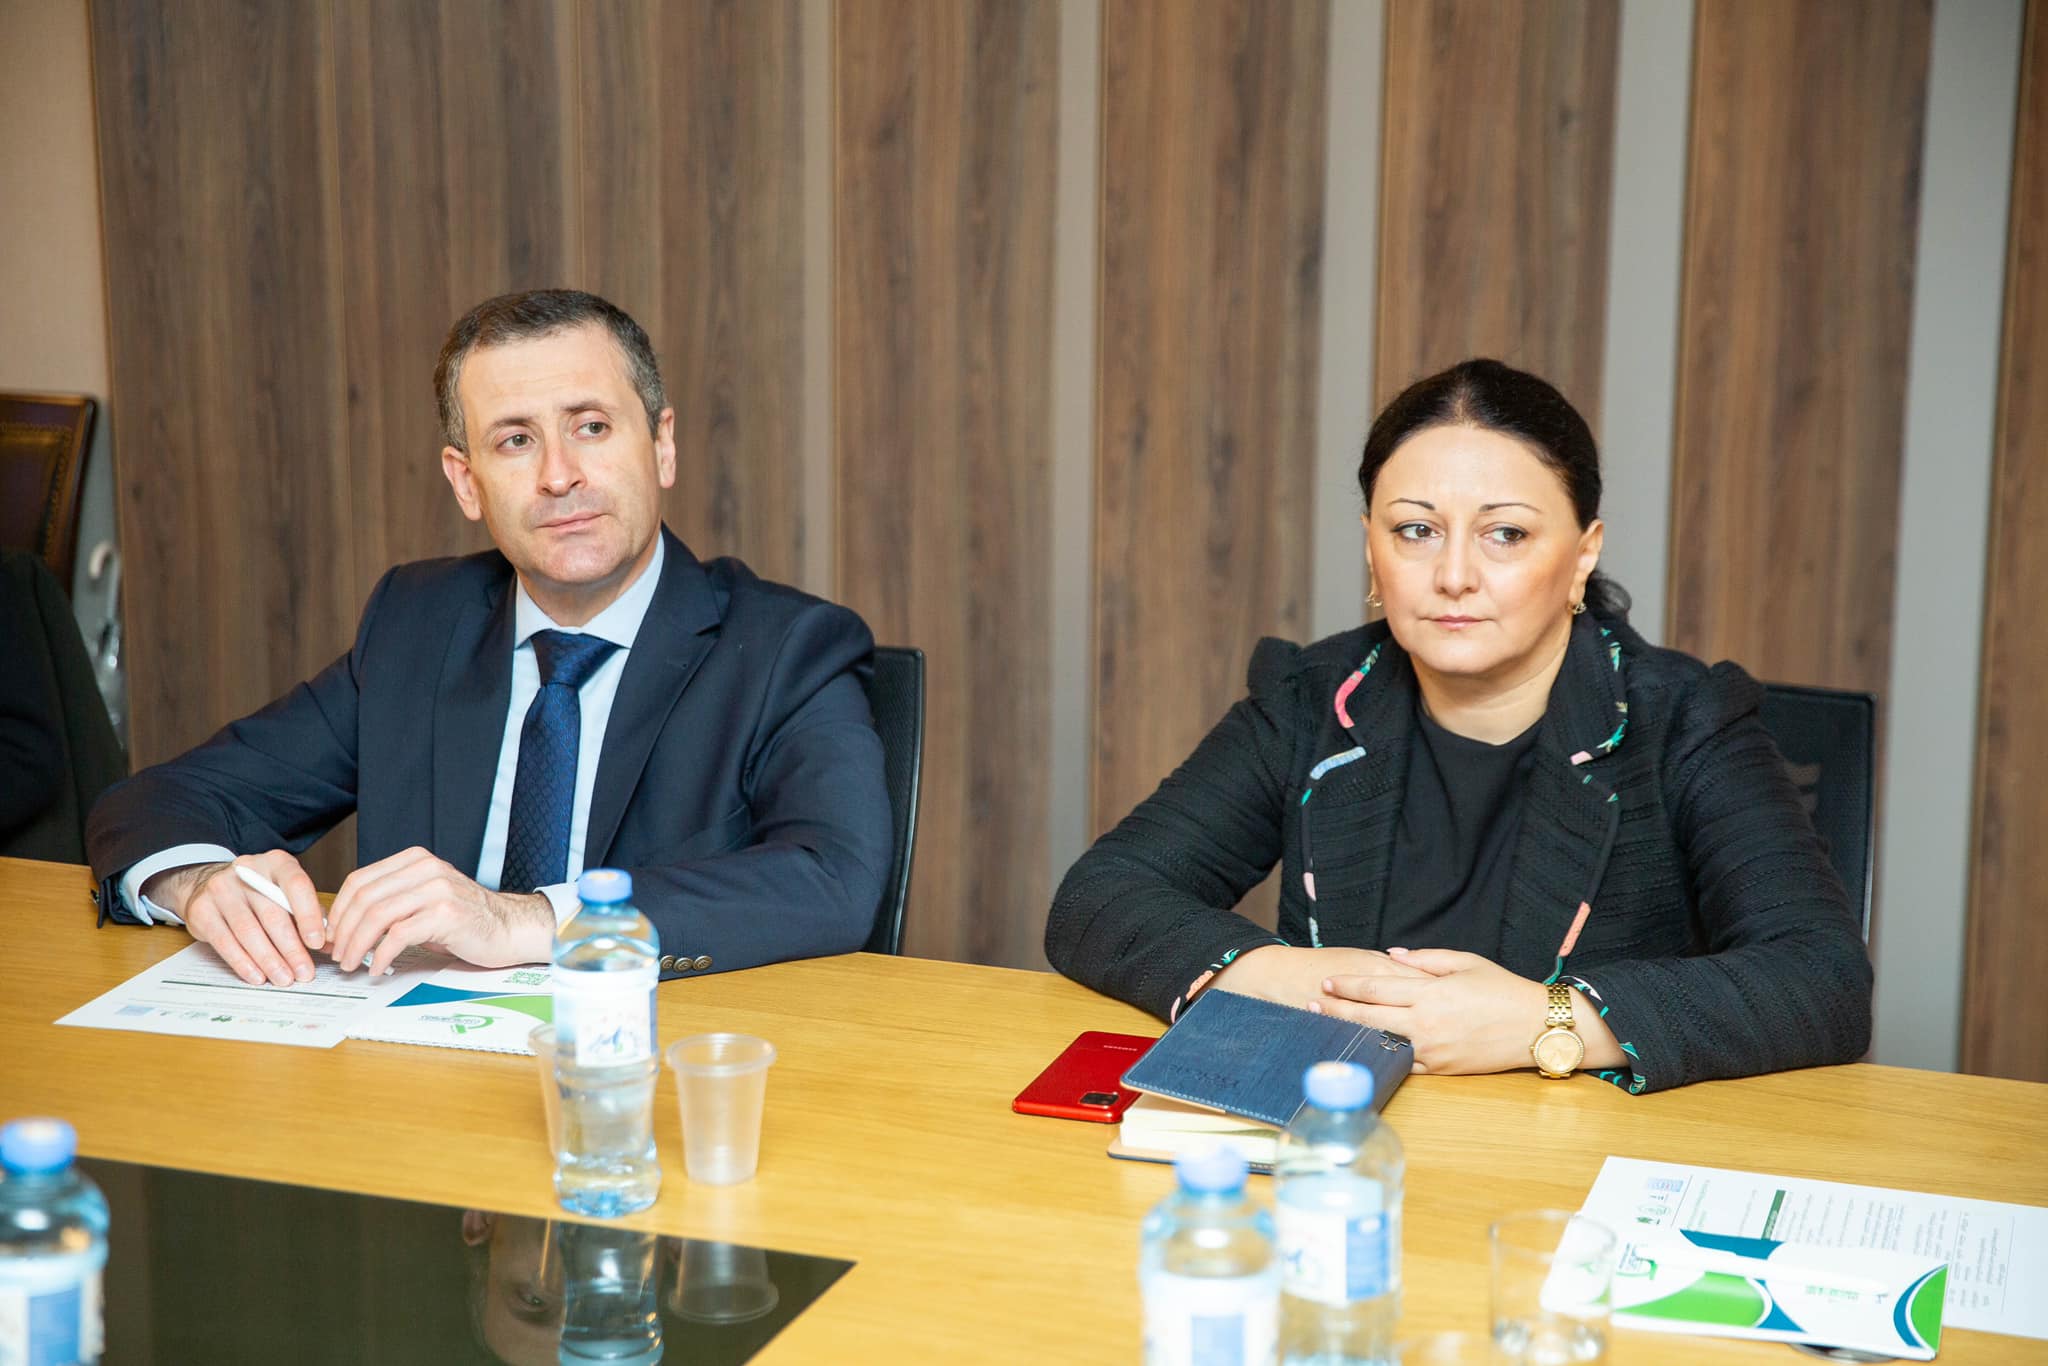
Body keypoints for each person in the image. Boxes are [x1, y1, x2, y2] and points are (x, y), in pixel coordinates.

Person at [1045, 359, 1871, 1093]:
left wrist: (1548, 1021)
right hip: (1344, 1138)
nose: (1453, 576)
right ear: (1372, 549)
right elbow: (1099, 897)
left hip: (1575, 1161)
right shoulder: (1316, 698)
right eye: (1416, 530)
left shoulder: (1684, 720)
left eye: (1505, 534)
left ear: (1584, 553)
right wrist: (1292, 980)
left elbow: (1822, 979)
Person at [88, 289, 890, 988]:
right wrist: (198, 883)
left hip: (646, 1069)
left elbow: (833, 881)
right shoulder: (417, 624)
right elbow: (158, 802)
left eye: (592, 427)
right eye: (515, 440)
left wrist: (523, 921)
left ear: (663, 444)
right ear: (466, 481)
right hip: (421, 1069)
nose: (559, 475)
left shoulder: (787, 649)